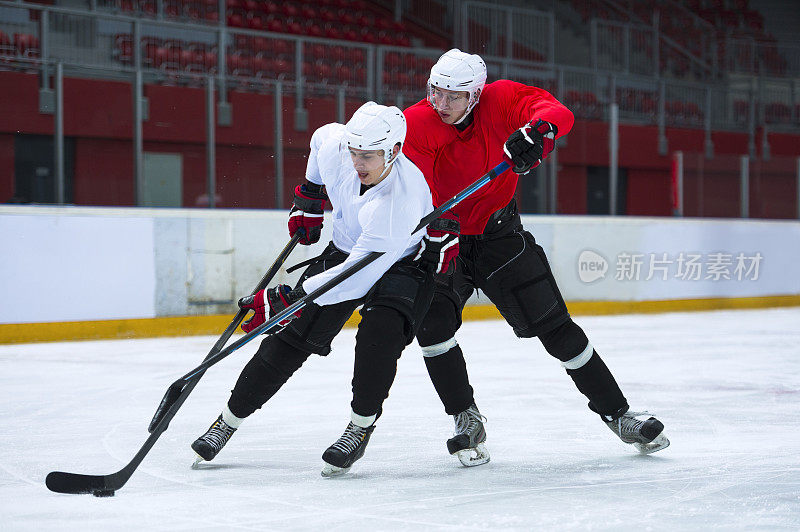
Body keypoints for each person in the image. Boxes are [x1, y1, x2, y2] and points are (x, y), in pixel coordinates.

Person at [403, 49, 670, 466]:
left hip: (500, 238)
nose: (441, 104)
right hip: (443, 237)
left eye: (453, 96)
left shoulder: (503, 97)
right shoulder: (418, 121)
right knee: (433, 330)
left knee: (555, 326)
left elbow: (558, 113)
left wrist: (538, 132)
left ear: (476, 95)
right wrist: (437, 231)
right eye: (435, 93)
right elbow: (418, 189)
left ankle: (619, 414)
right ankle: (465, 417)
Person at [190, 101, 444, 477]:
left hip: (400, 261)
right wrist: (309, 196)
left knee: (379, 336)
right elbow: (321, 137)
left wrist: (290, 299)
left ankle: (359, 427)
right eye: (355, 153)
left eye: (369, 156)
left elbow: (356, 276)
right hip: (345, 248)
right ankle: (227, 420)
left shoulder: (399, 201)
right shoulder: (337, 147)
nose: (358, 163)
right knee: (290, 338)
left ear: (394, 151)